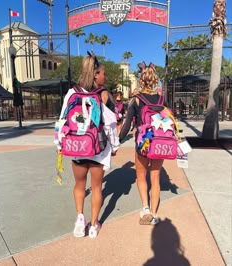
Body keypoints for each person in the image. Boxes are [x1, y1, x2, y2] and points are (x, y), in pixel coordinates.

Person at [56, 52, 119, 238]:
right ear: (95, 73)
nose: (104, 77)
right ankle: (94, 226)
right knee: (97, 187)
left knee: (79, 184)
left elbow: (61, 120)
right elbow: (111, 123)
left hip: (76, 146)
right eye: (103, 73)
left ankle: (79, 218)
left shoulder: (71, 93)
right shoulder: (103, 95)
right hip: (97, 147)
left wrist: (60, 142)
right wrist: (114, 146)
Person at [119, 61, 164, 225]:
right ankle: (154, 213)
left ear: (141, 81)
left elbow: (127, 125)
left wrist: (117, 142)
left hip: (143, 142)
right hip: (159, 142)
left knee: (140, 175)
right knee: (156, 177)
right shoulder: (161, 100)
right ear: (155, 80)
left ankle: (145, 208)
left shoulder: (136, 100)